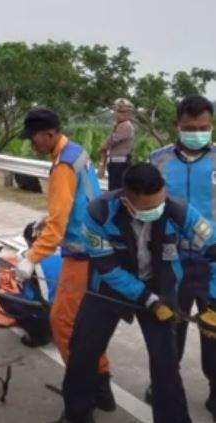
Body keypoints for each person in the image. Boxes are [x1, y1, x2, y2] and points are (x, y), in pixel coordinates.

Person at [59, 163, 216, 423]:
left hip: (160, 288)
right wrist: (146, 299)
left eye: (160, 203)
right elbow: (106, 267)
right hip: (108, 287)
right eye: (148, 208)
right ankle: (77, 412)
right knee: (83, 352)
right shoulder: (98, 213)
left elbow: (214, 251)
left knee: (166, 362)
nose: (157, 211)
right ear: (126, 201)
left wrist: (214, 300)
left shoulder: (180, 212)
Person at [14, 108, 115, 411]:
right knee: (88, 325)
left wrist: (31, 258)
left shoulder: (63, 167)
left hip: (81, 255)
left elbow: (57, 229)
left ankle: (83, 390)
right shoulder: (76, 152)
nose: (32, 144)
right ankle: (103, 388)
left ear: (48, 134)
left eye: (33, 138)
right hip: (96, 249)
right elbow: (80, 200)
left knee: (63, 323)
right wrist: (53, 216)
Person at [149, 95, 216, 416]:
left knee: (214, 331)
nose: (197, 133)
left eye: (203, 127)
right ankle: (164, 384)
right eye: (190, 128)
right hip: (171, 262)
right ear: (176, 125)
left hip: (213, 265)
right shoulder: (158, 161)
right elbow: (143, 207)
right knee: (168, 327)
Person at [0, 219, 61, 347]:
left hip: (49, 311)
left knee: (7, 299)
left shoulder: (28, 258)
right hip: (72, 309)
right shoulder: (67, 252)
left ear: (29, 242)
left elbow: (24, 286)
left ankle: (39, 333)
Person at [99, 98, 135, 190]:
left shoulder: (125, 125)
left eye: (123, 111)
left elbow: (108, 143)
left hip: (121, 164)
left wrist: (103, 147)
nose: (118, 114)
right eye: (118, 111)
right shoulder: (119, 125)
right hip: (116, 164)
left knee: (117, 192)